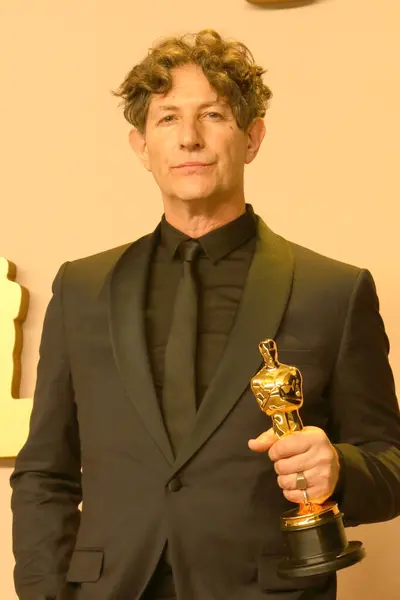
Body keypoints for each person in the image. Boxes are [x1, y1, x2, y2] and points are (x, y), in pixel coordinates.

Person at [10, 28, 400, 600]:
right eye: (167, 118)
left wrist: (339, 468)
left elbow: (390, 465)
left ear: (253, 137)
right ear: (141, 147)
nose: (189, 138)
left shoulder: (334, 290)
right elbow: (43, 471)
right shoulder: (81, 288)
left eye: (213, 114)